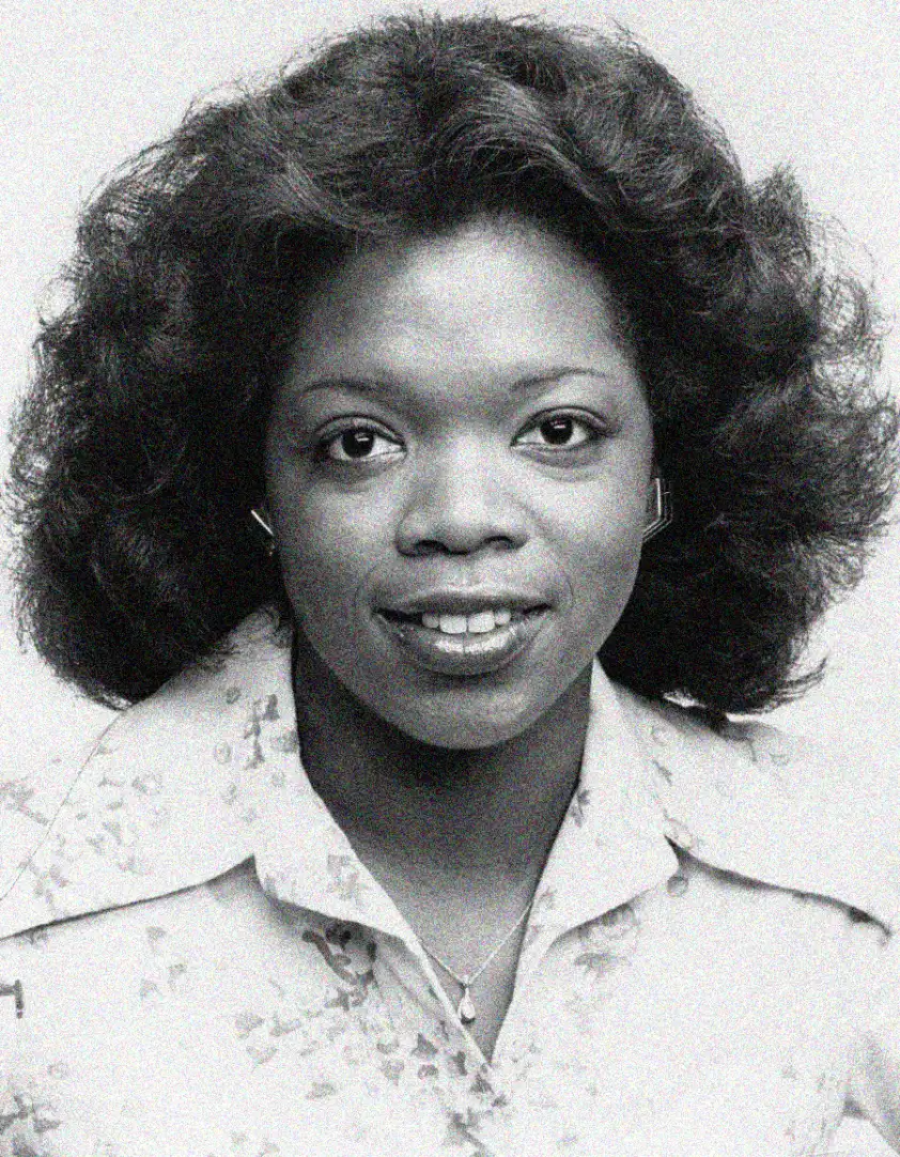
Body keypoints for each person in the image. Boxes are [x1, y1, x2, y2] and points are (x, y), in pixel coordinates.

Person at [1, 12, 898, 1156]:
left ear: (671, 465)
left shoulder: (840, 883)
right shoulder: (29, 915)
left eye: (559, 428)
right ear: (249, 476)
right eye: (360, 442)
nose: (462, 518)